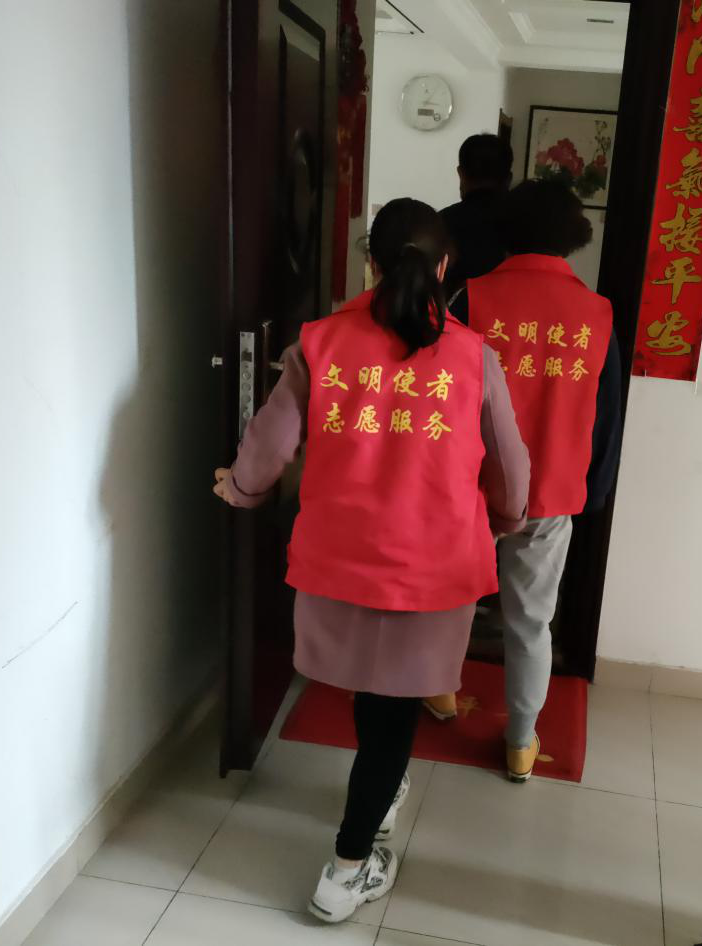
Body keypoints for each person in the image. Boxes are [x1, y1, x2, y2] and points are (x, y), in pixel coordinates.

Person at [212, 198, 529, 922]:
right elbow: (510, 464)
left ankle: (377, 802)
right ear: (444, 267)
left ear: (372, 264)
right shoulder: (472, 357)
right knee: (392, 711)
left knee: (376, 697)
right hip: (433, 567)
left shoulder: (321, 342)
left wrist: (243, 488)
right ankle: (346, 870)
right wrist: (507, 519)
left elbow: (269, 440)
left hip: (342, 560)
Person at [435, 179, 624, 783]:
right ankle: (520, 742)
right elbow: (608, 414)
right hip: (550, 494)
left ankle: (439, 692)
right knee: (531, 620)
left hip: (468, 488)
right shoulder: (597, 314)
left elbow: (441, 395)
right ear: (572, 237)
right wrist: (594, 490)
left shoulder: (471, 298)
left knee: (449, 601)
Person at [439, 133, 514, 299]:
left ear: (460, 174)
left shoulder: (439, 223)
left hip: (451, 314)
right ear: (508, 179)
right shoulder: (527, 223)